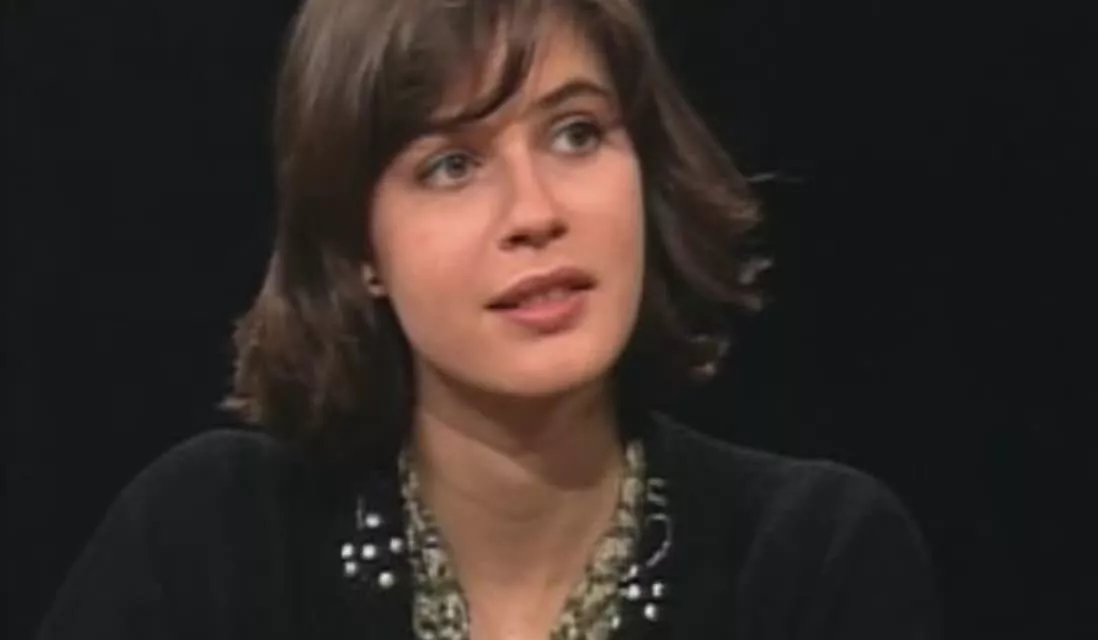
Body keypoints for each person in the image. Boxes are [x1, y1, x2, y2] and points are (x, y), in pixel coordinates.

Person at [38, 0, 939, 638]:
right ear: (358, 246)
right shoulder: (213, 546)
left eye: (576, 133)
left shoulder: (810, 563)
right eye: (452, 166)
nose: (535, 212)